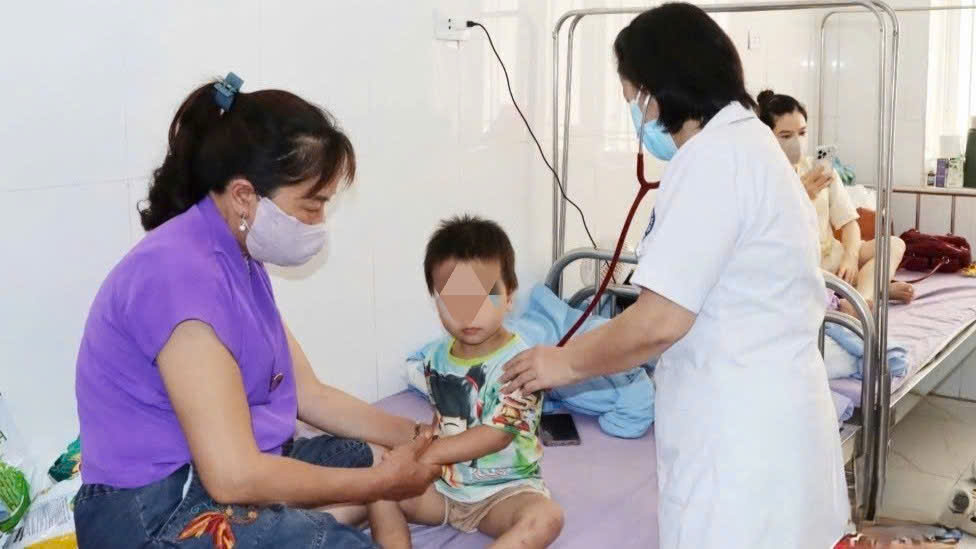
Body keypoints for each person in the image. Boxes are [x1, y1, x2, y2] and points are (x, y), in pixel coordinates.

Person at [499, 4, 849, 548]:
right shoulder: (748, 148)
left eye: (631, 97)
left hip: (739, 441)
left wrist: (560, 362)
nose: (634, 114)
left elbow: (658, 321)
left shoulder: (714, 161)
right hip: (772, 422)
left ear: (658, 89)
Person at [73, 75, 441, 548]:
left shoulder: (236, 257)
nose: (318, 223)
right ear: (245, 195)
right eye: (312, 205)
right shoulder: (179, 276)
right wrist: (383, 485)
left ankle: (330, 511)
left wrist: (427, 437)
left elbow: (311, 395)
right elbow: (232, 477)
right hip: (153, 513)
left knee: (364, 457)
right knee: (359, 508)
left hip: (211, 474)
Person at [370, 215, 564, 549]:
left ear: (509, 297)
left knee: (546, 518)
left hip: (503, 492)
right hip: (446, 490)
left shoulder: (521, 363)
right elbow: (442, 417)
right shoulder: (435, 358)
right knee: (377, 485)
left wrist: (427, 455)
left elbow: (496, 436)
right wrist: (418, 447)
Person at [756, 89, 914, 309]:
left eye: (802, 133)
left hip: (834, 257)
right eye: (786, 136)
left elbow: (849, 223)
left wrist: (850, 257)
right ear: (766, 136)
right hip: (802, 265)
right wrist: (802, 195)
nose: (797, 142)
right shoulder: (760, 178)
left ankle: (861, 299)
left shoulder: (820, 168)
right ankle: (870, 291)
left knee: (892, 244)